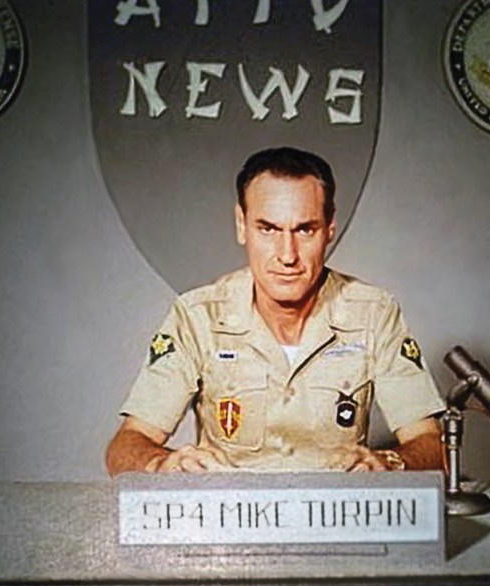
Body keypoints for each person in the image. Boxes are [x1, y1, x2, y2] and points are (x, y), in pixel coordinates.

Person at [105, 147, 445, 475]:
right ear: (241, 225)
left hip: (335, 510)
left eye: (305, 230)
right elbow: (125, 445)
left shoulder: (373, 314)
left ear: (330, 227)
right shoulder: (198, 317)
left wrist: (390, 463)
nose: (287, 255)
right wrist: (162, 464)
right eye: (268, 229)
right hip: (230, 510)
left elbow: (431, 445)